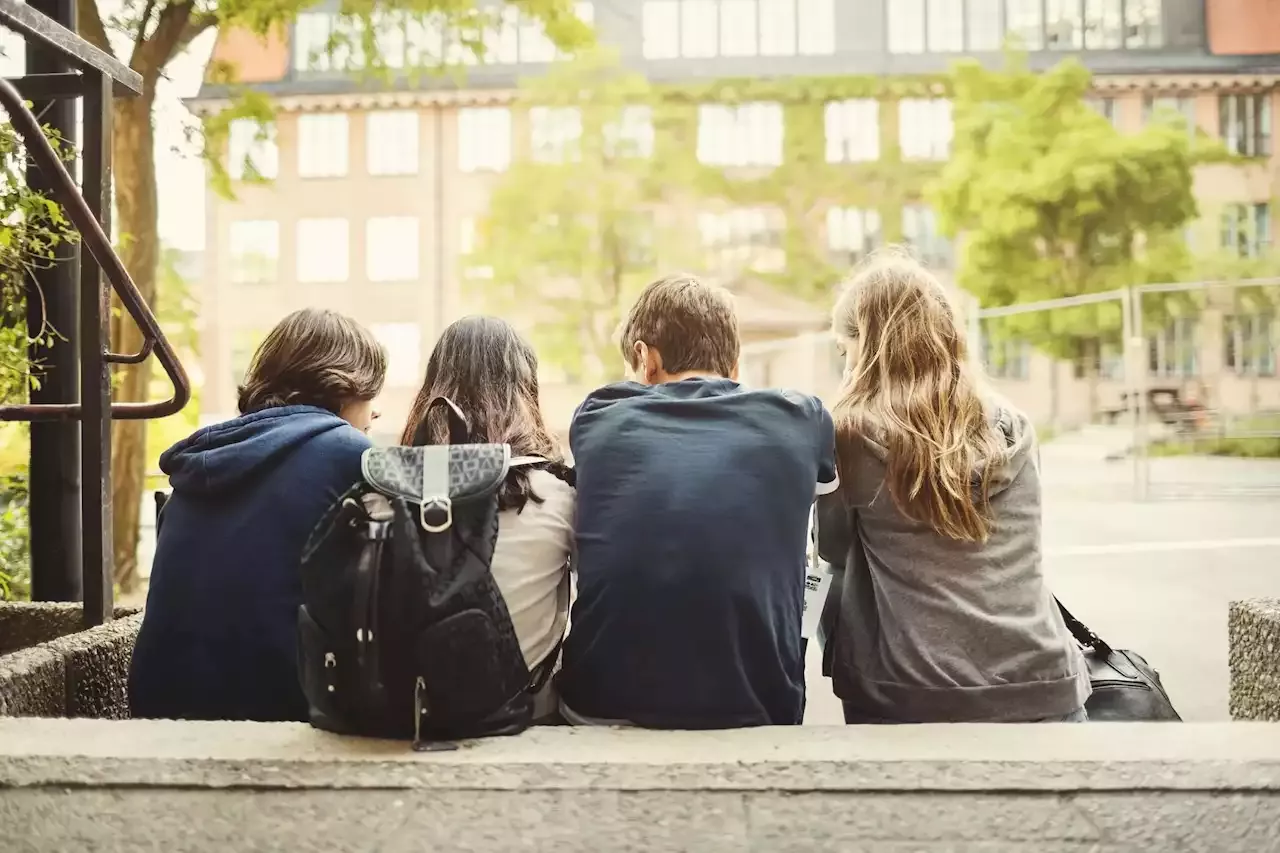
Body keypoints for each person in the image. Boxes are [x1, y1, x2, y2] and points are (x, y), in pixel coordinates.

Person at [816, 250, 1091, 724]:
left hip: (911, 696)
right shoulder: (1013, 427)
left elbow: (834, 551)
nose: (845, 369)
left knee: (840, 582)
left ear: (871, 348)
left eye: (847, 352)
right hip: (1046, 686)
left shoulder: (850, 436)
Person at [557, 273, 838, 729]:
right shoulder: (802, 419)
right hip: (758, 711)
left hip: (602, 707)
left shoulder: (597, 416)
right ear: (735, 363)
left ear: (644, 358)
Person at [129, 308, 387, 722]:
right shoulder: (349, 454)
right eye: (372, 394)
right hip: (276, 708)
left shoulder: (206, 455)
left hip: (157, 702)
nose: (374, 412)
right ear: (346, 385)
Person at [400, 316, 575, 721]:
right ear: (524, 392)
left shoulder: (388, 494)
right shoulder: (556, 495)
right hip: (523, 716)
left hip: (406, 713)